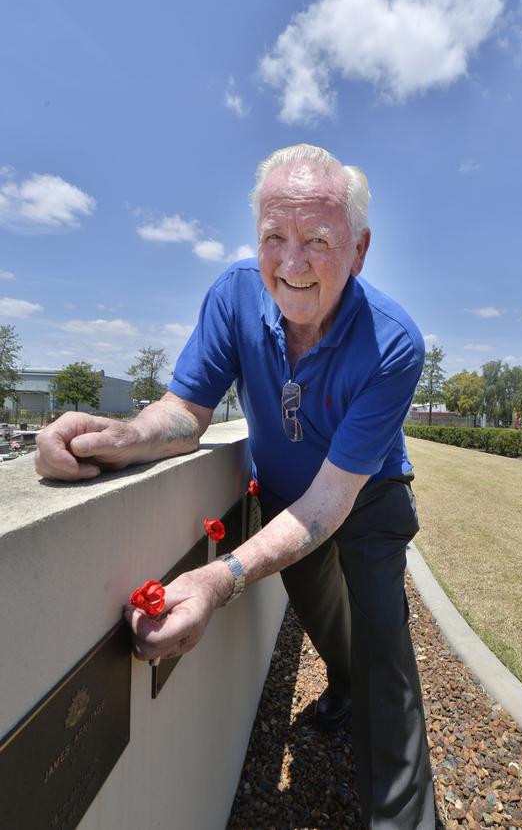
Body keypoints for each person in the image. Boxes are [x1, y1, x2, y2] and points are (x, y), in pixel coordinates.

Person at [35, 144, 436, 828]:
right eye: (274, 238)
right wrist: (122, 436)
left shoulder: (394, 342)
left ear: (360, 250)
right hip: (283, 490)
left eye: (317, 239)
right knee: (317, 609)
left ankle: (401, 813)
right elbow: (187, 413)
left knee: (384, 645)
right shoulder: (234, 295)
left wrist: (220, 577)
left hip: (364, 494)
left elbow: (331, 501)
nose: (292, 263)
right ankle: (343, 684)